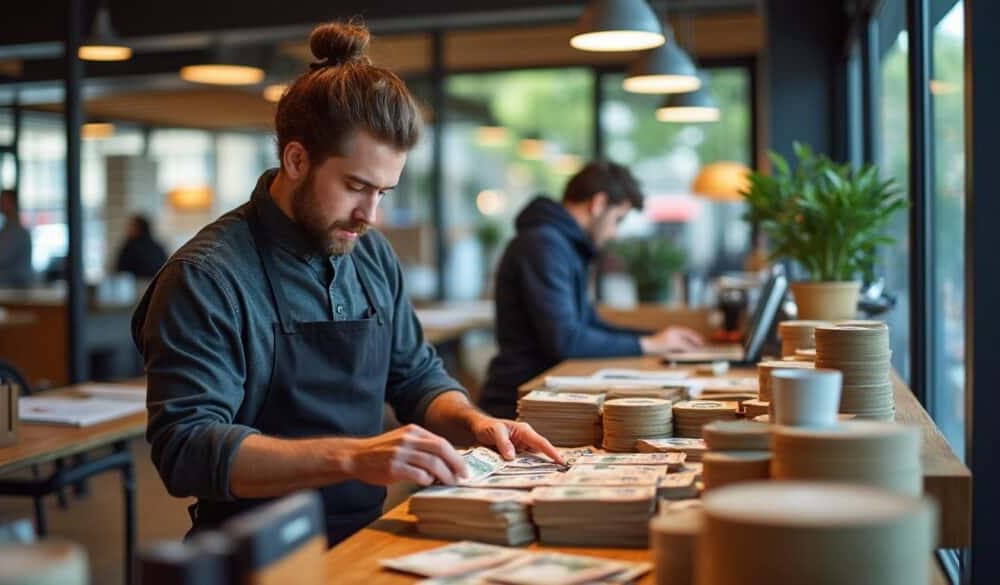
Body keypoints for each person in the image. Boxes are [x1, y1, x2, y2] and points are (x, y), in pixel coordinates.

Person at [131, 21, 560, 547]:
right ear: (295, 159)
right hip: (258, 552)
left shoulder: (369, 253)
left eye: (383, 191)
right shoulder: (206, 277)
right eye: (356, 187)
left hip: (368, 534)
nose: (371, 215)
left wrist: (473, 422)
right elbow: (187, 449)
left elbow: (414, 375)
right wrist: (354, 456)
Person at [478, 161, 705, 419]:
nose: (615, 233)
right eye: (617, 219)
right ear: (598, 204)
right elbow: (566, 341)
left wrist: (658, 339)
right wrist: (650, 344)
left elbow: (589, 323)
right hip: (519, 406)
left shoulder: (563, 244)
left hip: (547, 396)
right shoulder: (544, 245)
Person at [0, 189, 33, 287]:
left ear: (12, 203)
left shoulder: (16, 232)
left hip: (14, 289)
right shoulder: (5, 229)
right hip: (6, 287)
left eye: (3, 201)